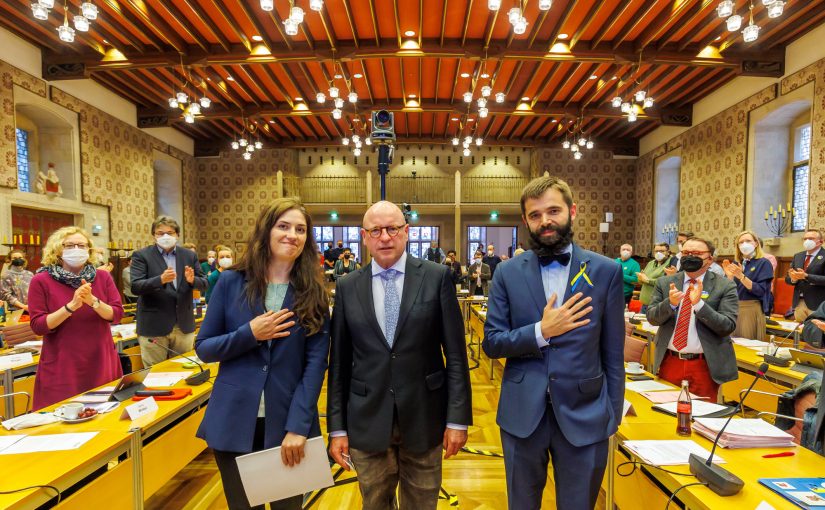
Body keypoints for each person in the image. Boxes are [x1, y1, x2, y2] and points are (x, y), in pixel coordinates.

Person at [481, 176, 624, 510]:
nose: (545, 221)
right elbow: (492, 342)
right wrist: (541, 332)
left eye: (553, 211)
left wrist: (611, 416)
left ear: (572, 211)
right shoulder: (507, 273)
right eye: (535, 215)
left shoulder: (605, 271)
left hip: (586, 414)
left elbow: (613, 355)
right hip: (521, 414)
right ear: (526, 221)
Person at [327, 201, 472, 510]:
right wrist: (337, 428)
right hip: (366, 420)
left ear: (406, 232)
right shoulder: (348, 286)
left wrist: (458, 420)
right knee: (375, 504)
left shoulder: (436, 277)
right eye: (376, 230)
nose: (385, 237)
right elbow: (338, 364)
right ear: (364, 237)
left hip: (425, 417)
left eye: (393, 228)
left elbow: (456, 356)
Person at [196, 198, 330, 510]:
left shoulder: (314, 292)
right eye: (283, 226)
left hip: (288, 424)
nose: (291, 235)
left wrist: (298, 426)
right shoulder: (231, 282)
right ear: (266, 231)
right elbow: (205, 347)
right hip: (234, 420)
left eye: (300, 229)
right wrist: (250, 334)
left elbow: (315, 366)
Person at [27, 226, 123, 410]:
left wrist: (93, 301)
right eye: (69, 245)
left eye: (81, 245)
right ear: (58, 249)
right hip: (63, 362)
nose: (76, 249)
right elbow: (38, 326)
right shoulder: (41, 280)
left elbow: (116, 314)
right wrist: (70, 307)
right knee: (62, 419)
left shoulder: (102, 277)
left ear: (89, 249)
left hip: (100, 358)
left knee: (104, 417)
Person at [646, 236, 739, 401]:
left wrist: (699, 306)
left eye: (696, 253)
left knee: (701, 416)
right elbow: (652, 318)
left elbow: (727, 326)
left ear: (709, 259)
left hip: (704, 364)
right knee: (666, 411)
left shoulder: (725, 286)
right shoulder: (665, 282)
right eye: (686, 252)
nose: (689, 256)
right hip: (670, 360)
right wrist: (671, 304)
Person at [131, 216, 208, 367]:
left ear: (177, 235)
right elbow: (135, 287)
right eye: (160, 233)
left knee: (183, 371)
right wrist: (160, 280)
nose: (165, 236)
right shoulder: (141, 255)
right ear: (154, 235)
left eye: (170, 233)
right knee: (155, 374)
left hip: (183, 325)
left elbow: (204, 283)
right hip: (154, 326)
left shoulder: (189, 255)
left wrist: (193, 280)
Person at [723, 230, 773, 341]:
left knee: (746, 345)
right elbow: (728, 290)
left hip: (750, 308)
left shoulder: (763, 263)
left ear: (756, 243)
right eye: (741, 242)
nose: (744, 244)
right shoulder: (737, 263)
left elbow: (760, 291)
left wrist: (741, 276)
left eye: (748, 241)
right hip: (733, 308)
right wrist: (729, 277)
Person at [786, 229, 825, 321]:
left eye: (811, 238)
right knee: (800, 333)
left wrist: (807, 276)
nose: (807, 241)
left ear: (821, 242)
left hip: (818, 303)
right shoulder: (798, 256)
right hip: (799, 302)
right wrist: (793, 279)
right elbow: (787, 278)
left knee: (816, 332)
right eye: (805, 239)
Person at [636, 243, 672, 312]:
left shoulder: (671, 264)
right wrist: (641, 278)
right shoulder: (651, 263)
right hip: (644, 304)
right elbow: (641, 280)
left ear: (668, 252)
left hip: (657, 306)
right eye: (656, 251)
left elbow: (665, 282)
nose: (658, 253)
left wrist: (647, 280)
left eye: (662, 251)